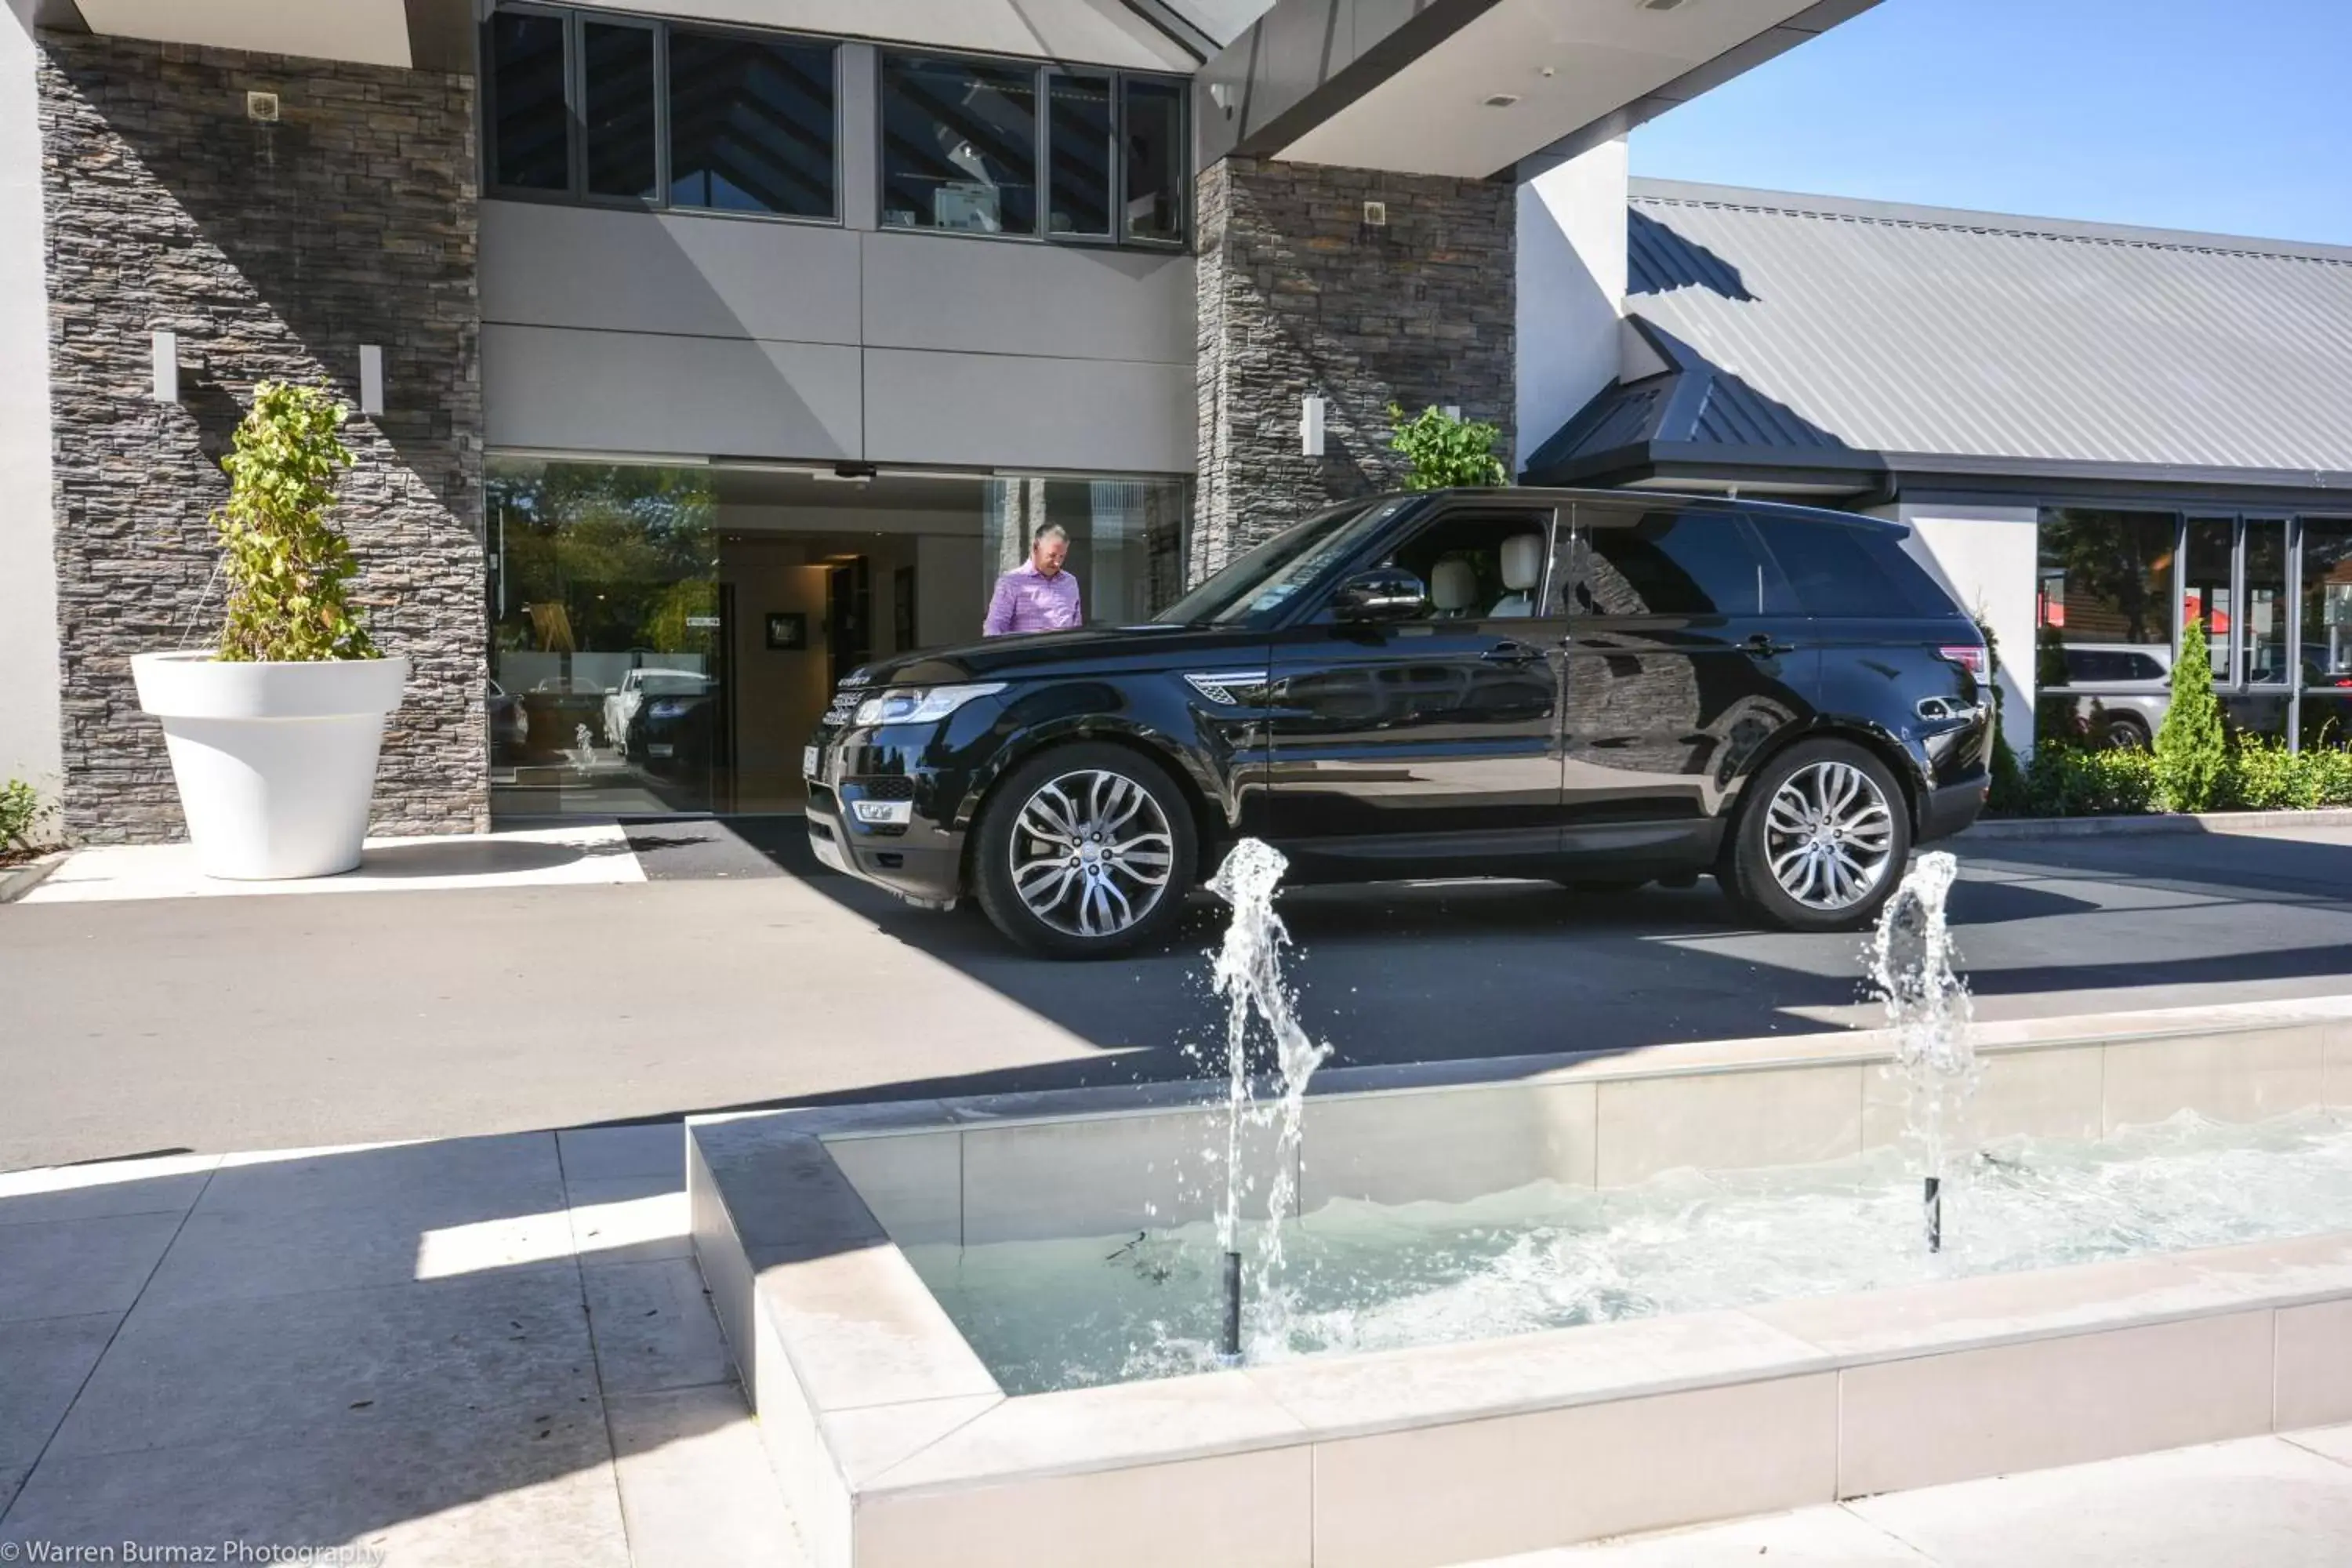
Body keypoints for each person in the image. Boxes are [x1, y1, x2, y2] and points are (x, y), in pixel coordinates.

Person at [982, 523, 1083, 636]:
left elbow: (1076, 627)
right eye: (1052, 556)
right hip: (1027, 651)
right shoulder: (1011, 582)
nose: (1057, 563)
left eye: (1062, 557)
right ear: (1036, 548)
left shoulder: (1070, 583)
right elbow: (994, 628)